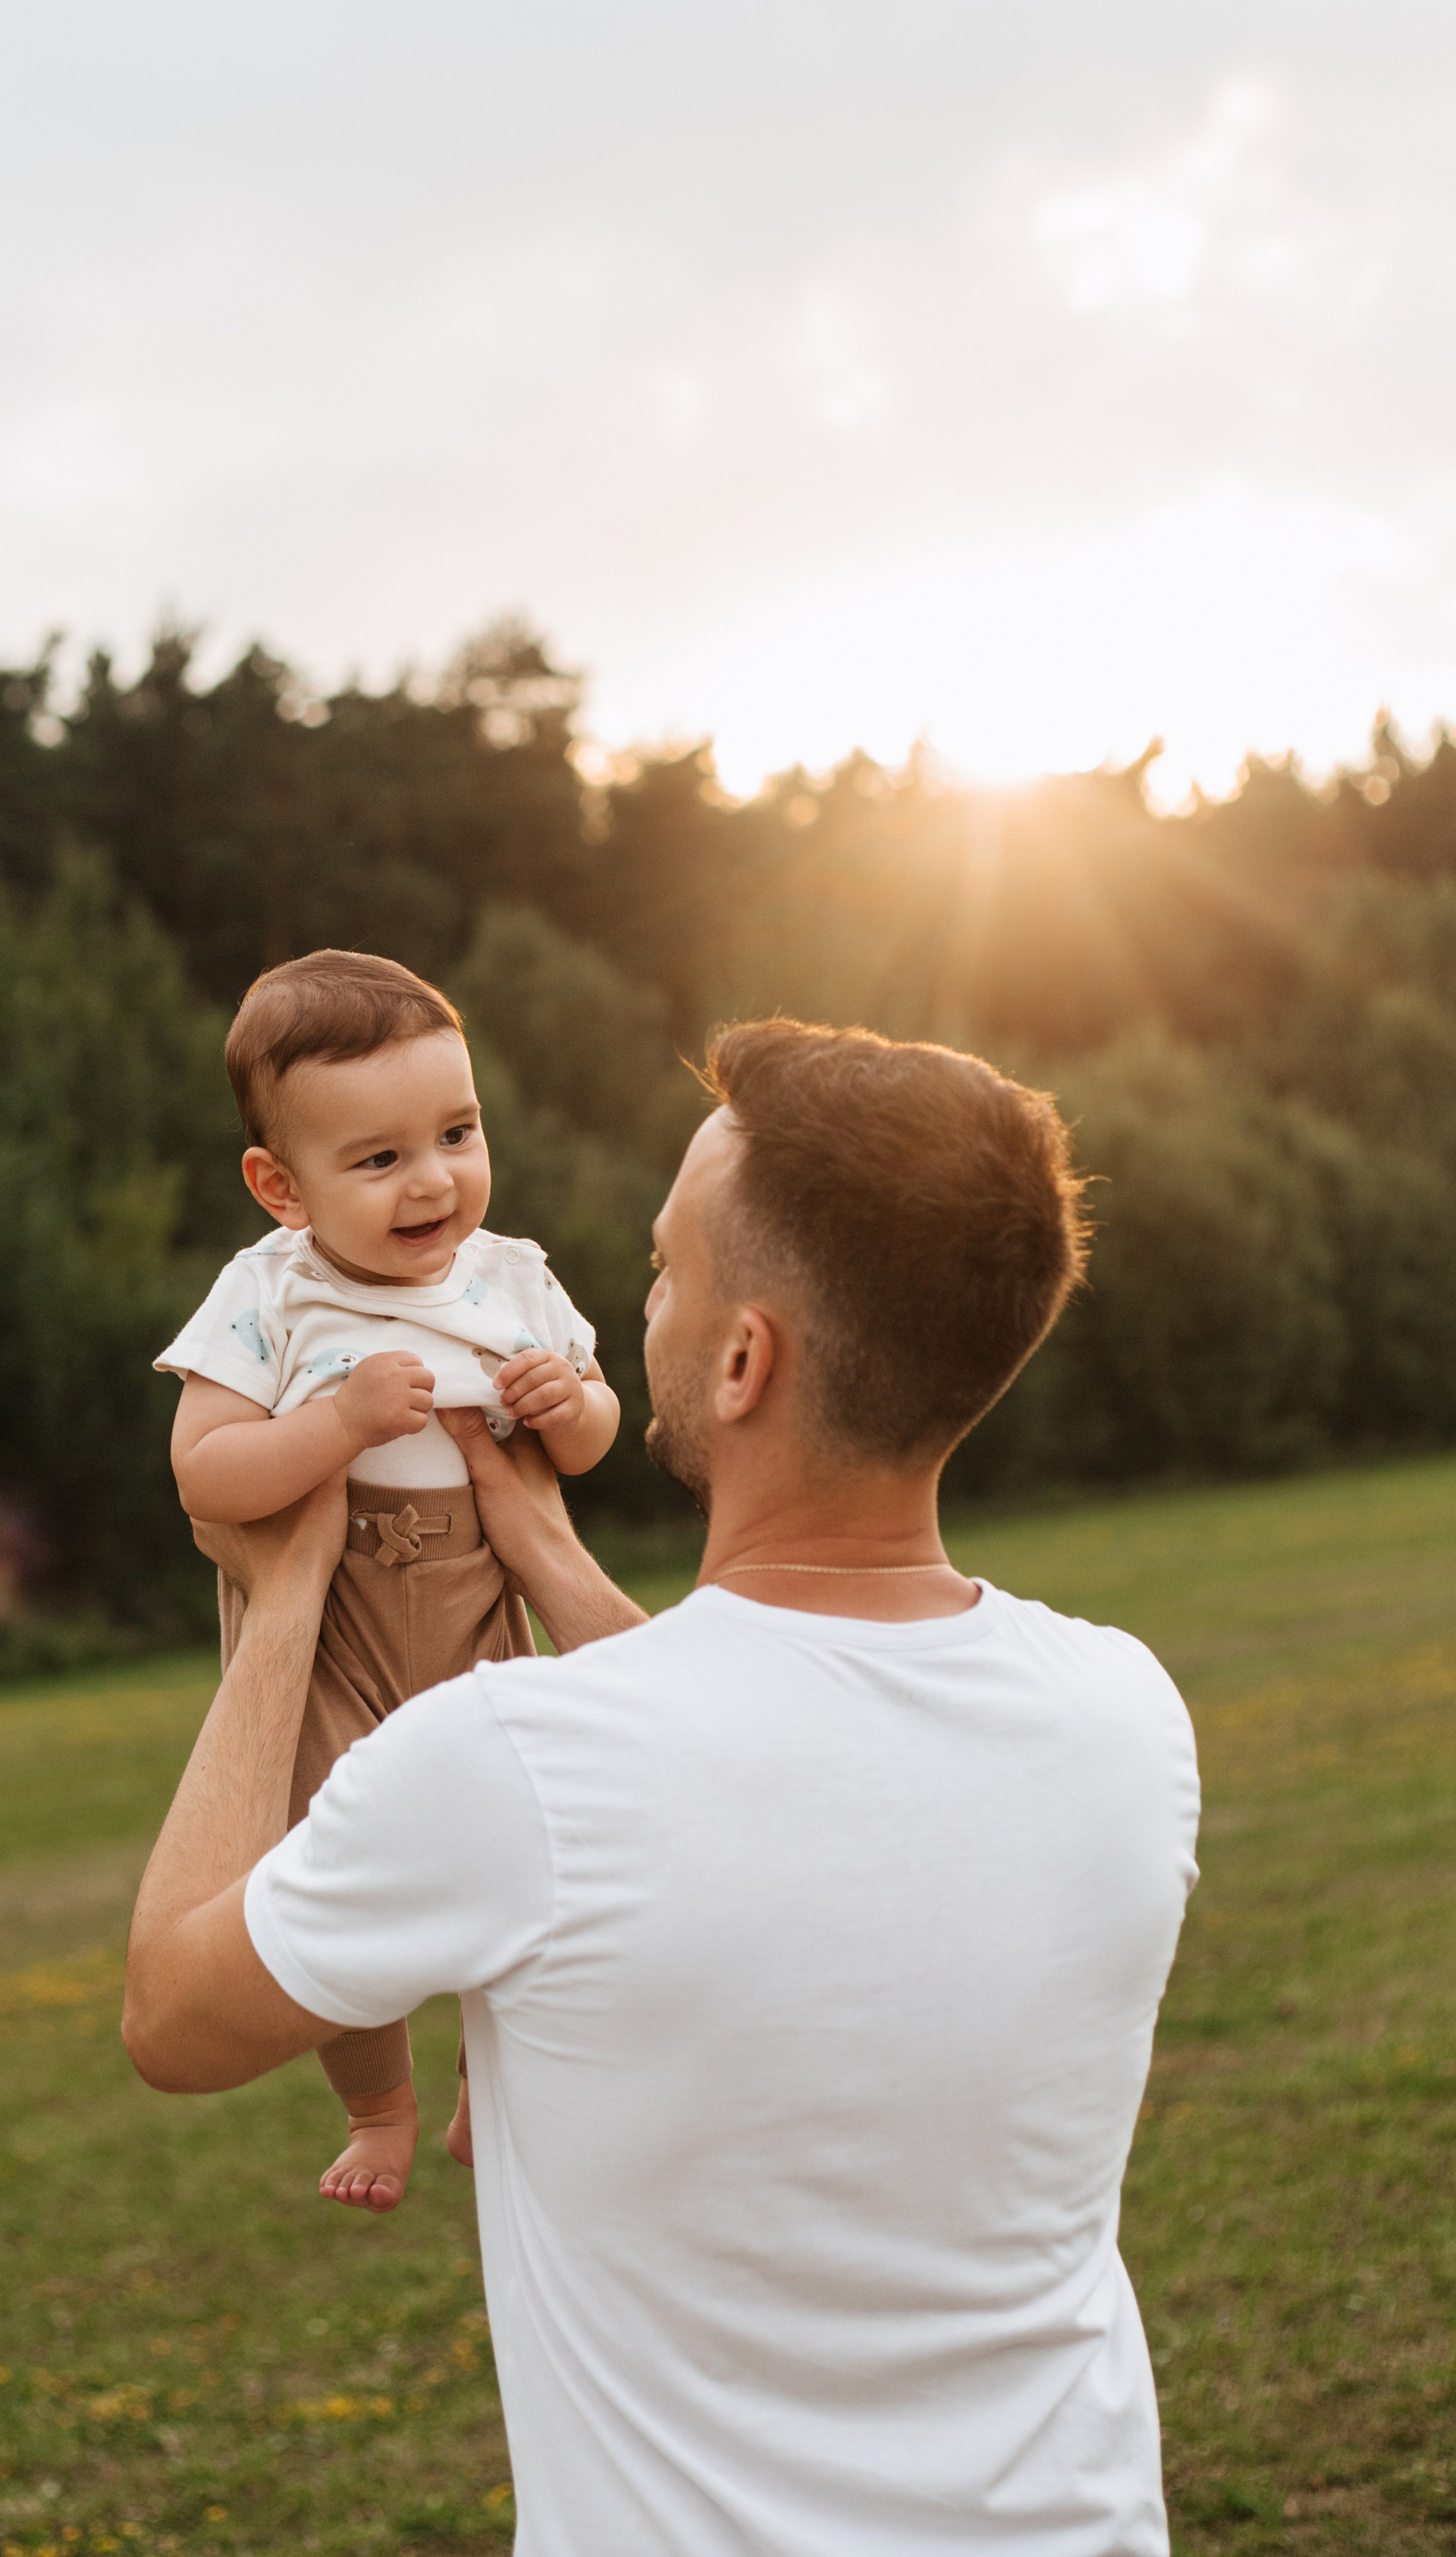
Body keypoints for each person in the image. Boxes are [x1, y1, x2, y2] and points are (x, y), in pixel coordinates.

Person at [125, 1020, 1201, 2557]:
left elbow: (172, 2017)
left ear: (744, 1358)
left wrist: (284, 1595)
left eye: (659, 1274)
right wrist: (549, 1555)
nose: (630, 1309)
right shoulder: (1124, 1712)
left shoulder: (513, 1765)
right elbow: (768, 1748)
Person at [155, 948, 620, 2211]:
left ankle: (489, 2082)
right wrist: (339, 1426)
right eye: (379, 1159)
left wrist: (565, 1402)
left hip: (482, 1609)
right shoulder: (268, 1294)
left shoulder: (511, 1275)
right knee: (319, 1871)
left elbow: (594, 1432)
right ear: (278, 1186)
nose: (434, 1181)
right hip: (334, 1640)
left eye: (458, 1133)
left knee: (524, 1851)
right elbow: (206, 1472)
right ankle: (379, 2102)